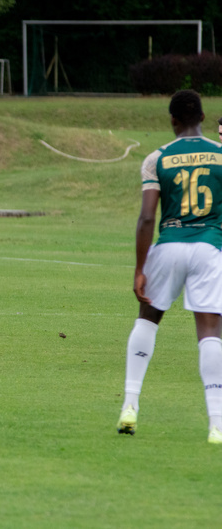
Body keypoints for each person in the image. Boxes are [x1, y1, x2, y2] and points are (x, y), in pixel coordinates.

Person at [117, 89, 222, 444]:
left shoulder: (156, 159)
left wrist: (139, 268)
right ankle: (217, 423)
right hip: (210, 247)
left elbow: (147, 217)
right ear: (203, 118)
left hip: (169, 245)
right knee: (210, 331)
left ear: (173, 120)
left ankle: (129, 406)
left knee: (147, 319)